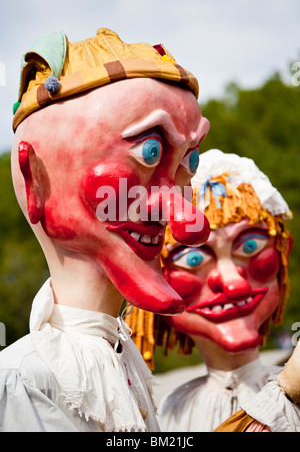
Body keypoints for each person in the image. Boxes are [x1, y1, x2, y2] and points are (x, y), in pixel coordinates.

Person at [0, 28, 210, 432]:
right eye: (149, 152)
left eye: (189, 161)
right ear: (35, 182)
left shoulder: (124, 363)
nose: (187, 221)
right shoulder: (23, 380)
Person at [127, 148, 294, 431]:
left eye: (250, 247)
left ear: (282, 251)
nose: (234, 284)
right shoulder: (168, 413)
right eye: (193, 258)